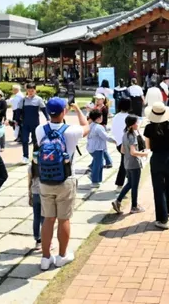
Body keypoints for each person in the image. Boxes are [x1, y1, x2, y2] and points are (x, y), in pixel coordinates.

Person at [36, 99, 89, 270]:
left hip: (45, 180)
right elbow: (86, 126)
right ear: (64, 112)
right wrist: (78, 109)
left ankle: (45, 258)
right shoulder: (71, 130)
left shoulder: (40, 130)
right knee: (63, 219)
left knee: (48, 219)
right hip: (66, 179)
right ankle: (62, 255)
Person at [144, 102, 169, 230]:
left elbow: (148, 146)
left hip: (156, 159)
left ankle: (162, 219)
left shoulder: (148, 128)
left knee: (159, 189)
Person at [112, 114, 148, 214]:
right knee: (134, 186)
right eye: (136, 122)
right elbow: (133, 152)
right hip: (134, 163)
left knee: (130, 184)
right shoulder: (132, 136)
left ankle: (118, 201)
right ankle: (134, 206)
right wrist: (144, 154)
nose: (138, 124)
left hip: (127, 163)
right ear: (132, 124)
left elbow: (123, 150)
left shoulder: (125, 134)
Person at [19, 83, 50, 164]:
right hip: (25, 123)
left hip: (35, 123)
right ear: (26, 90)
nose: (30, 92)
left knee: (35, 140)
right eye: (29, 90)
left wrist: (48, 118)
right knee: (24, 140)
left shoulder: (38, 99)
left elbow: (44, 109)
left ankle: (35, 156)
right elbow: (18, 111)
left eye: (32, 90)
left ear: (35, 90)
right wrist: (16, 120)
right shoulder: (23, 100)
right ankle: (25, 156)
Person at [86, 109, 116, 188]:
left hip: (91, 147)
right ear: (98, 118)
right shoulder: (98, 127)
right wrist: (115, 141)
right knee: (98, 165)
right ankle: (94, 180)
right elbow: (106, 137)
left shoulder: (90, 125)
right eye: (101, 116)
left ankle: (95, 178)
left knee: (97, 163)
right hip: (97, 148)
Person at [111, 98, 132, 189]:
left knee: (126, 162)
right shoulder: (129, 117)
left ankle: (125, 182)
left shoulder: (116, 116)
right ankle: (120, 184)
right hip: (127, 143)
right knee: (125, 163)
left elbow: (113, 130)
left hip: (118, 143)